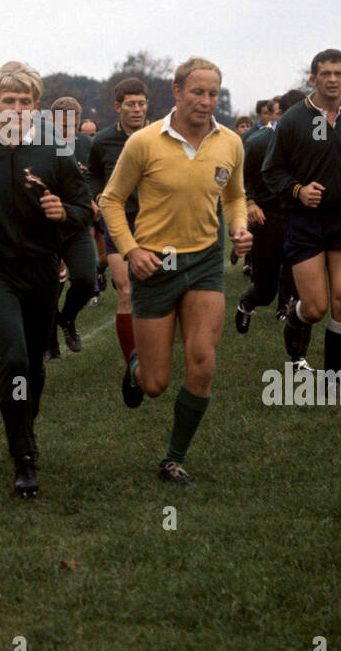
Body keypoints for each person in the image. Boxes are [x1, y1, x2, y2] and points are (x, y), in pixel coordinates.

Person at [100, 57, 252, 487]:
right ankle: (134, 369)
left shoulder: (230, 143)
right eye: (198, 92)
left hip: (204, 263)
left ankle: (173, 459)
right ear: (178, 91)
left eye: (213, 93)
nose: (206, 101)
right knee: (155, 383)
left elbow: (236, 197)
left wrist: (239, 228)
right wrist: (130, 251)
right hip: (156, 265)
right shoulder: (144, 143)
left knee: (203, 362)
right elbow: (110, 200)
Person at [0, 64, 91, 497]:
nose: (14, 108)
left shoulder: (56, 150)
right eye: (6, 101)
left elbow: (84, 209)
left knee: (31, 364)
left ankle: (24, 425)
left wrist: (63, 211)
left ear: (36, 107)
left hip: (41, 268)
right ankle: (23, 456)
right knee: (11, 357)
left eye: (24, 102)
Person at [262, 50, 341, 376]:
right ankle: (296, 314)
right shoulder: (293, 120)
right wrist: (298, 190)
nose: (332, 79)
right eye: (325, 74)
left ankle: (332, 377)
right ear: (313, 79)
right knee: (315, 308)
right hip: (305, 223)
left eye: (338, 73)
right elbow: (271, 171)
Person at [88, 77, 150, 367]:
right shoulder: (102, 141)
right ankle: (133, 363)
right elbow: (92, 175)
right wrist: (97, 197)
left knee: (158, 288)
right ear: (118, 107)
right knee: (125, 290)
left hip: (157, 223)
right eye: (130, 104)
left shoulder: (161, 135)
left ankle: (155, 344)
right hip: (118, 222)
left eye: (141, 103)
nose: (136, 109)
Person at [234, 88, 304, 333]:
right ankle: (247, 302)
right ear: (280, 114)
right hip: (267, 217)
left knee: (301, 277)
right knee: (265, 288)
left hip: (299, 216)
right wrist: (250, 202)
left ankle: (293, 329)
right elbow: (238, 177)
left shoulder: (312, 141)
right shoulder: (258, 142)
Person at [48, 96, 99, 356]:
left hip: (76, 224)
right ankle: (49, 340)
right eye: (63, 125)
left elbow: (95, 177)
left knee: (86, 279)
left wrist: (93, 197)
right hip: (47, 226)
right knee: (48, 287)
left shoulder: (87, 144)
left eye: (73, 125)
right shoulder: (42, 144)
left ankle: (67, 319)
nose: (68, 130)